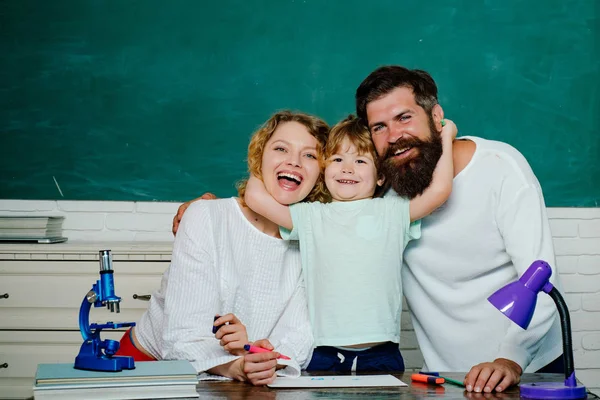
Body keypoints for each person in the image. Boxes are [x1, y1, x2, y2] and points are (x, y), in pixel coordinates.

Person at [355, 65, 563, 393]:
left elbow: (542, 279)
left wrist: (510, 358)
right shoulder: (384, 195)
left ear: (436, 115)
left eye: (404, 118)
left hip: (529, 368)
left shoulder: (501, 167)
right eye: (379, 127)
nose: (394, 136)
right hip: (444, 378)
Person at [117, 110, 330, 386]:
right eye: (281, 148)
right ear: (259, 157)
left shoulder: (315, 243)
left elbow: (296, 339)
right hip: (147, 368)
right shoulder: (204, 217)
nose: (294, 161)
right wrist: (238, 365)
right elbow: (183, 338)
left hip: (241, 381)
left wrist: (260, 360)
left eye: (310, 155)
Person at [242, 115, 456, 372]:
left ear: (381, 177)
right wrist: (263, 158)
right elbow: (255, 197)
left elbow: (440, 190)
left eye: (361, 161)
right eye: (337, 159)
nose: (347, 168)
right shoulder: (312, 215)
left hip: (382, 352)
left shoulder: (392, 211)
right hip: (323, 351)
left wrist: (446, 138)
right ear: (324, 169)